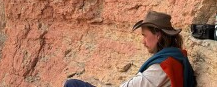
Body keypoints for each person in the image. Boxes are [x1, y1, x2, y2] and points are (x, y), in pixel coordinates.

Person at [64, 11, 197, 87]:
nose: (143, 41)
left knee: (72, 85)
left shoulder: (165, 64)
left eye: (145, 36)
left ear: (158, 35)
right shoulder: (173, 56)